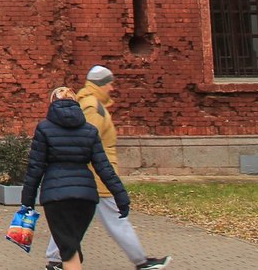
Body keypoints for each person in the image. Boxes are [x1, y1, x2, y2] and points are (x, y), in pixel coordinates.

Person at [45, 66, 171, 270]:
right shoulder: (92, 107)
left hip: (93, 175)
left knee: (72, 221)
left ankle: (55, 259)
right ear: (100, 84)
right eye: (110, 83)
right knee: (117, 219)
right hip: (96, 177)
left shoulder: (93, 104)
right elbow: (83, 141)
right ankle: (142, 262)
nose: (112, 88)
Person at [20, 86, 130, 270]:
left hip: (56, 198)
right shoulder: (90, 131)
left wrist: (27, 202)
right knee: (71, 246)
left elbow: (35, 168)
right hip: (85, 199)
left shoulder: (44, 129)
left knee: (69, 250)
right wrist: (121, 197)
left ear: (52, 104)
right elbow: (104, 168)